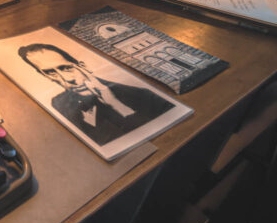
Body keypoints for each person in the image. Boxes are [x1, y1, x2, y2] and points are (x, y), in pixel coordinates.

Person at [18, 43, 174, 146]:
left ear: (82, 66)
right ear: (44, 76)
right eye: (51, 73)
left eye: (66, 68)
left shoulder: (141, 95)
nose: (67, 79)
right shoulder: (58, 102)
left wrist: (116, 105)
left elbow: (159, 141)